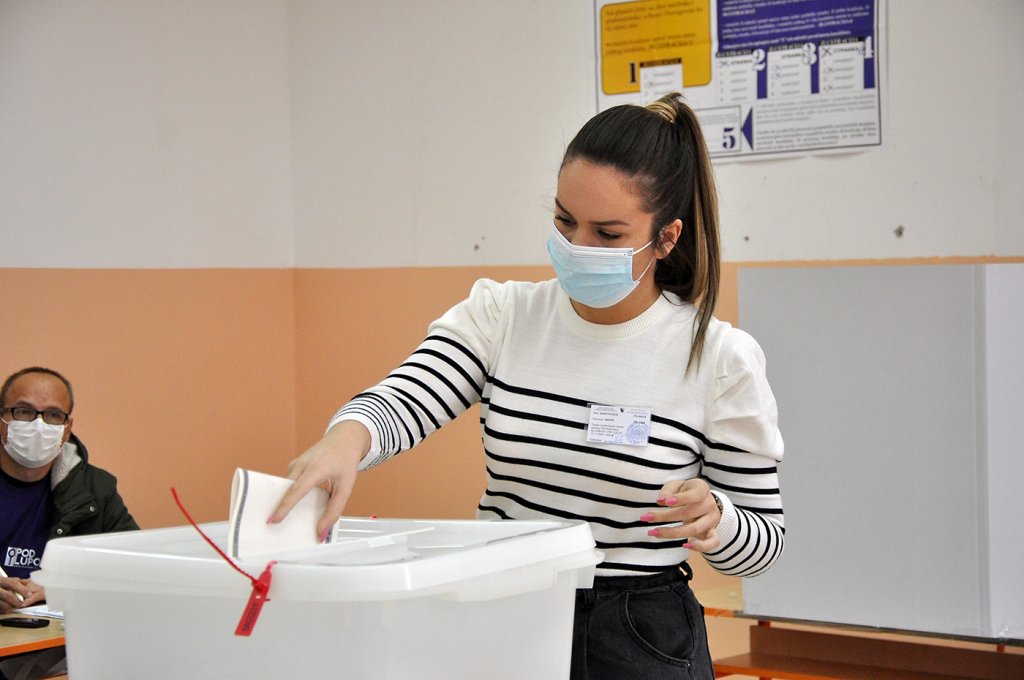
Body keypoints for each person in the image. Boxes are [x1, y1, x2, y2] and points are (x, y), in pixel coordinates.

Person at [271, 93, 784, 679]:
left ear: (666, 238)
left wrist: (717, 519)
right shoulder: (503, 315)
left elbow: (764, 547)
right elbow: (410, 394)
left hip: (639, 635)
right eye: (565, 221)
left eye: (607, 233)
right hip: (508, 608)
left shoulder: (719, 358)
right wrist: (348, 439)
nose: (577, 246)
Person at [1, 367, 138, 680]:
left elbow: (133, 570)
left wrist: (62, 588)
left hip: (51, 647)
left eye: (53, 415)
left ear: (67, 428)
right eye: (23, 411)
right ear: (3, 418)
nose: (39, 425)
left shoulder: (95, 489)